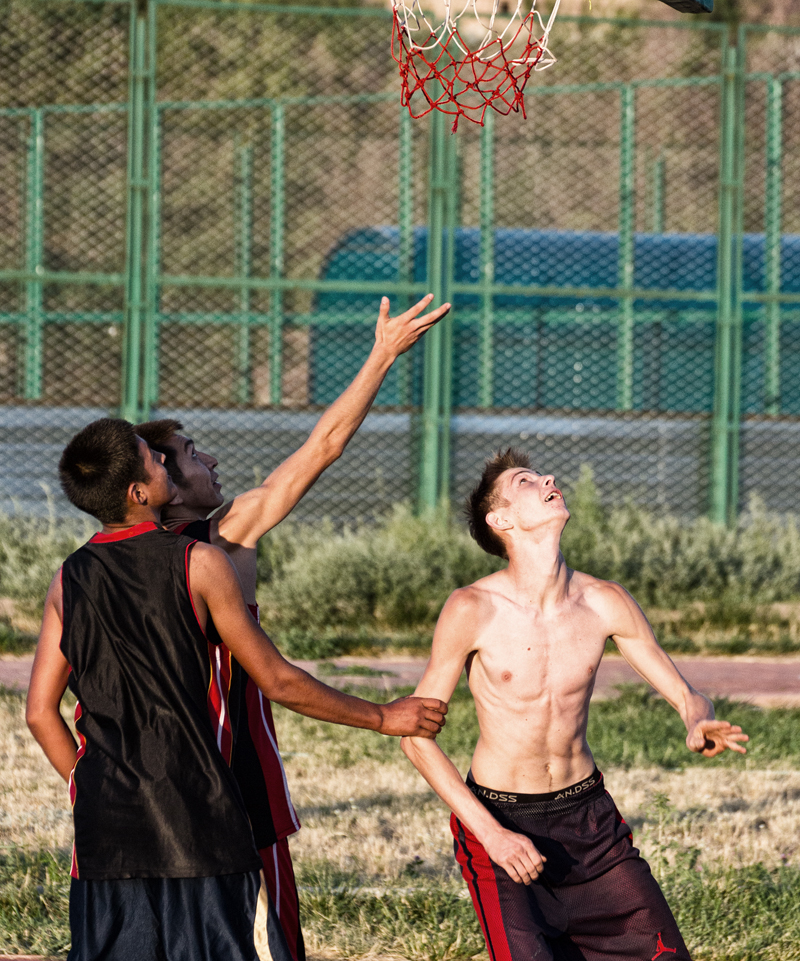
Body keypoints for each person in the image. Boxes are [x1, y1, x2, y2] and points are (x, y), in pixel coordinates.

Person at [26, 418, 447, 961]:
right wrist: (384, 717)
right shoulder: (199, 562)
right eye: (153, 458)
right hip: (200, 817)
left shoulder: (67, 578)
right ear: (138, 493)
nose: (162, 460)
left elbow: (39, 713)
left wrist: (90, 786)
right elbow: (278, 680)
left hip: (106, 828)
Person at [135, 292, 448, 961]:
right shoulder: (218, 542)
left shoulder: (91, 571)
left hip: (144, 802)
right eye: (191, 454)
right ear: (159, 482)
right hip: (230, 789)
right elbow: (323, 447)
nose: (210, 461)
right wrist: (381, 355)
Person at [400, 448, 749, 961]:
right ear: (501, 520)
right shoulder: (472, 608)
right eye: (525, 481)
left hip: (590, 821)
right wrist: (492, 835)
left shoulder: (605, 600)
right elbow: (415, 738)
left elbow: (685, 694)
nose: (547, 478)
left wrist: (699, 719)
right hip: (501, 822)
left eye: (542, 474)